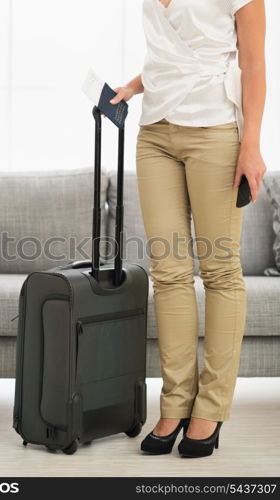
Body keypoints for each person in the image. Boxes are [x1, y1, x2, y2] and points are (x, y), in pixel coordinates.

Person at [110, 0, 266, 458]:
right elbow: (169, 52)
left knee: (219, 273)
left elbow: (254, 65)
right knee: (169, 273)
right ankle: (175, 404)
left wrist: (251, 144)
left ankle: (210, 408)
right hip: (155, 133)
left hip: (215, 130)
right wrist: (133, 86)